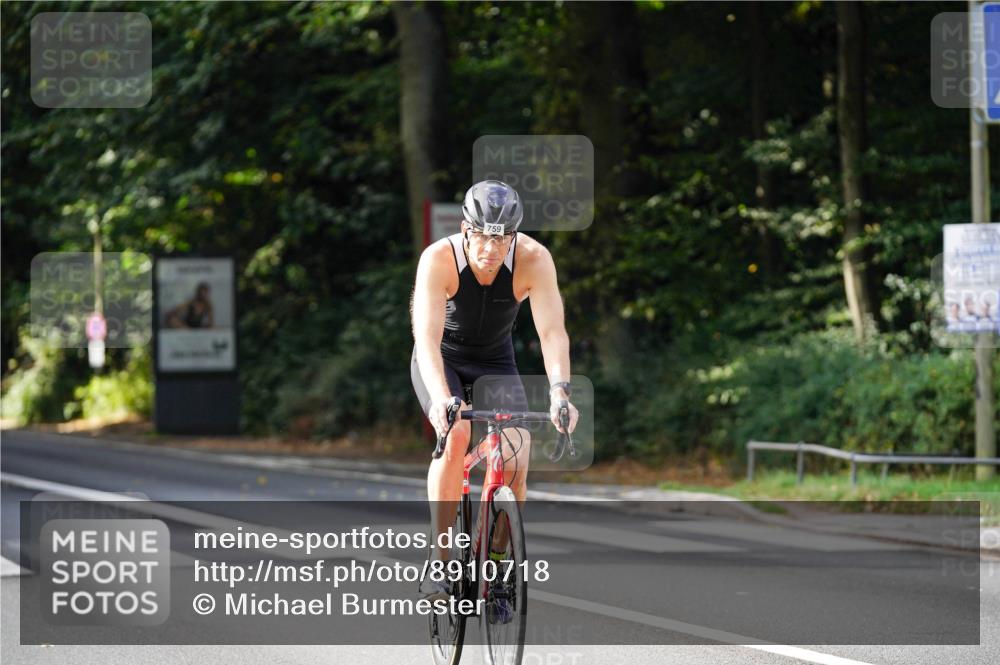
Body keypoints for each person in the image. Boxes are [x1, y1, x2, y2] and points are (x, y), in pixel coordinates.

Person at [410, 180, 579, 619]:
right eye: (483, 235)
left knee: (518, 451)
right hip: (441, 359)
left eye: (501, 238)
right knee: (457, 433)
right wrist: (441, 400)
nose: (491, 248)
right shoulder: (439, 259)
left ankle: (499, 569)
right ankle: (441, 559)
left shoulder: (534, 260)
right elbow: (425, 339)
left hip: (495, 362)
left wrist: (561, 390)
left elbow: (551, 332)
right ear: (466, 229)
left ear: (514, 236)